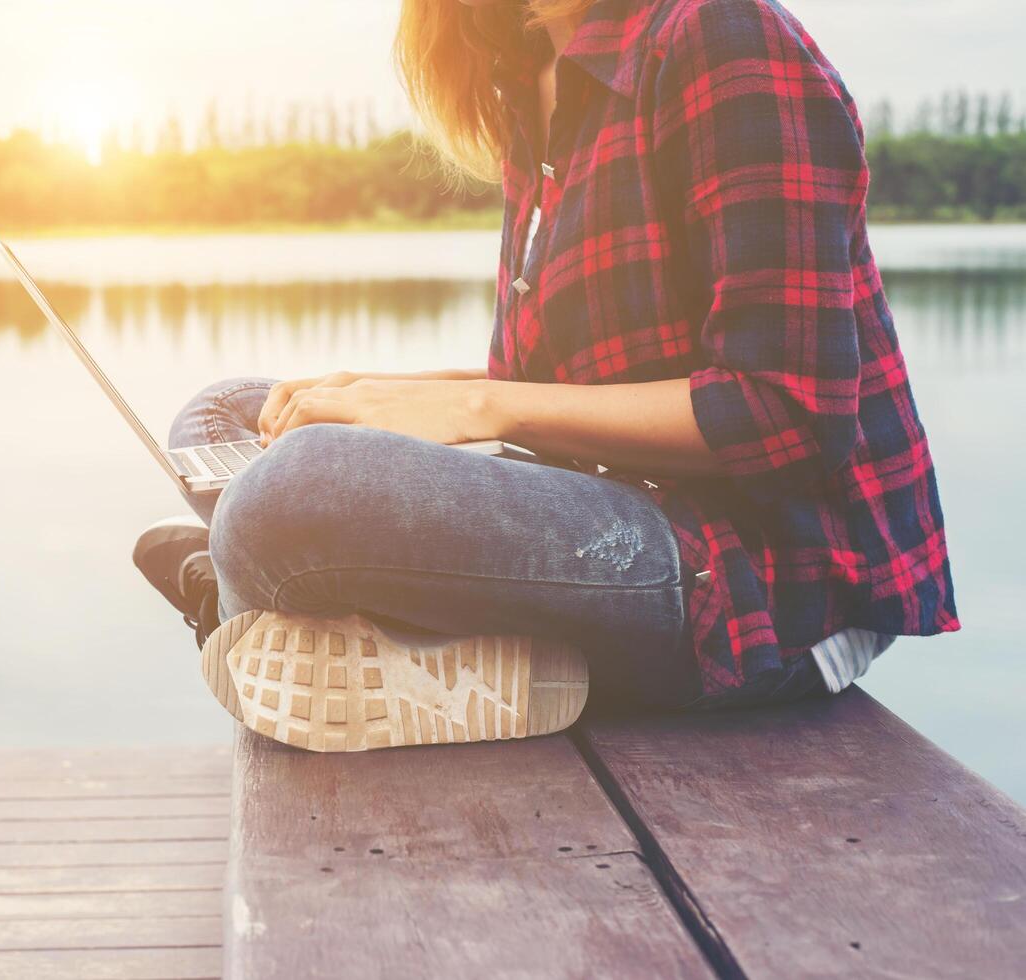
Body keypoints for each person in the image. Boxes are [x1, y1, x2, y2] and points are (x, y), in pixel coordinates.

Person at [134, 0, 958, 752]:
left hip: (755, 587)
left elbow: (787, 411)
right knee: (234, 414)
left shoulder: (722, 34)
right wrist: (382, 395)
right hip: (609, 506)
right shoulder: (528, 72)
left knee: (287, 497)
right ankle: (327, 620)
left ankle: (250, 606)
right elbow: (542, 381)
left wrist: (473, 406)